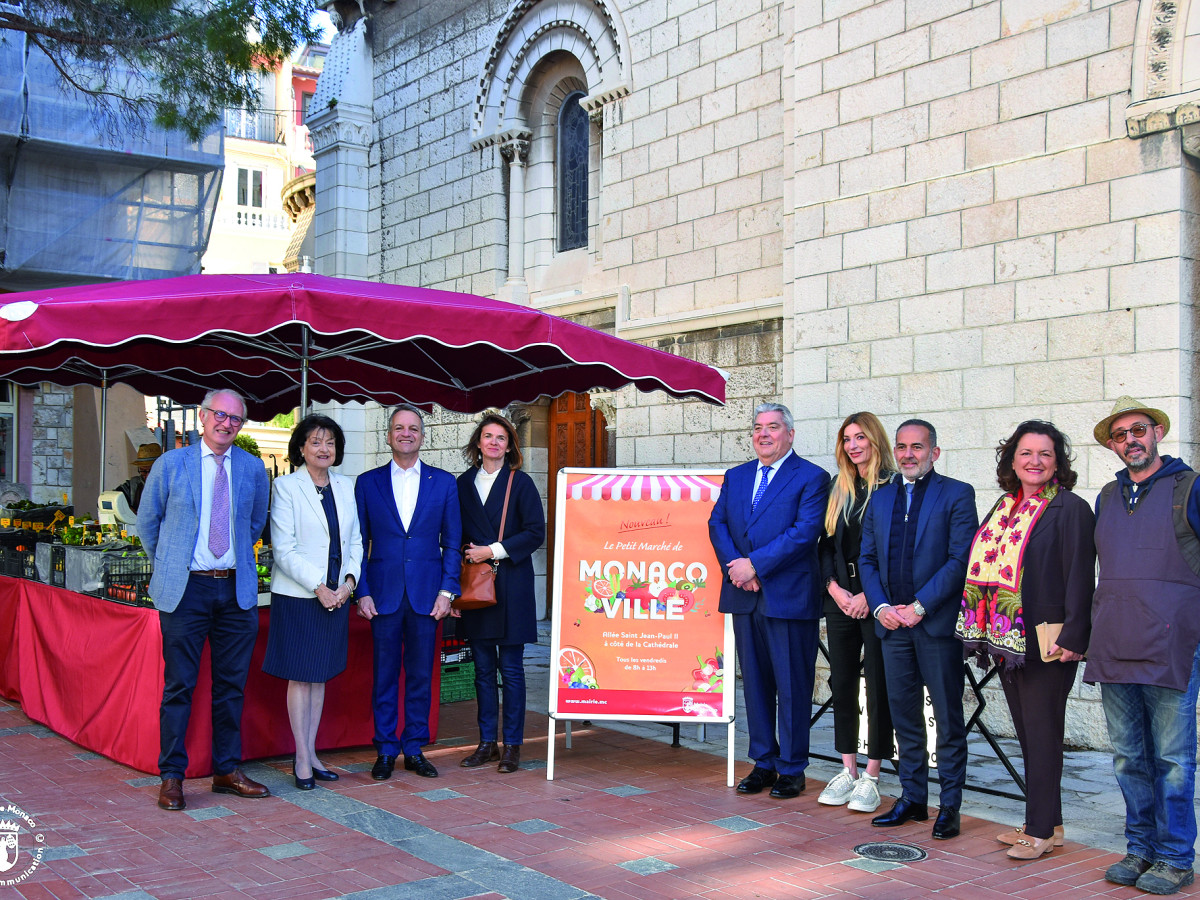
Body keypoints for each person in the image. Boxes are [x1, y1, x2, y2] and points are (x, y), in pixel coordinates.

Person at [956, 421, 1094, 860]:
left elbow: (1080, 575)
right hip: (1006, 640)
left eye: (1045, 454)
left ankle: (1039, 830)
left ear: (1058, 463)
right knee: (1029, 732)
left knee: (1042, 731)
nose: (1034, 462)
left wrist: (1076, 635)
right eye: (1026, 453)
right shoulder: (1004, 506)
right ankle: (1046, 821)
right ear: (1012, 460)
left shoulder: (1070, 508)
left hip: (1048, 639)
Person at [1087, 396, 1200, 895]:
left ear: (1157, 433)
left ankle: (1176, 858)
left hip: (1173, 645)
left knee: (1174, 760)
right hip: (1113, 641)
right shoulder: (1107, 498)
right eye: (1120, 434)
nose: (1130, 439)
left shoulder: (1190, 487)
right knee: (1128, 756)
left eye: (1138, 430)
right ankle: (1140, 848)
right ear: (1113, 446)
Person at [139, 388, 271, 811]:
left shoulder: (252, 469)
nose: (226, 423)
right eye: (219, 414)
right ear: (202, 416)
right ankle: (172, 776)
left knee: (231, 687)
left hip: (235, 589)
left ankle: (226, 770)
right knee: (179, 685)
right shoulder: (171, 464)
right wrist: (175, 563)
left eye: (235, 418)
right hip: (186, 590)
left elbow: (254, 524)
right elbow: (148, 523)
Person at [859, 419, 977, 840]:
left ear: (934, 452)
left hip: (935, 626)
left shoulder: (958, 494)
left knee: (947, 717)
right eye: (903, 447)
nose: (909, 454)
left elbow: (960, 559)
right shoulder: (880, 497)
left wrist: (921, 606)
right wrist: (882, 607)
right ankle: (912, 798)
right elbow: (867, 559)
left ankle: (950, 805)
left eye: (918, 447)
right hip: (892, 626)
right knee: (904, 717)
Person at [708, 402, 830, 799]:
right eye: (758, 427)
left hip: (788, 597)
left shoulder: (812, 477)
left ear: (789, 434)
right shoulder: (737, 476)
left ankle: (792, 768)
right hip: (745, 596)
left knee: (793, 685)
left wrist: (755, 566)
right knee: (755, 684)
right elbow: (717, 523)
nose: (764, 434)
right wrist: (736, 567)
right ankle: (763, 761)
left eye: (773, 427)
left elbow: (805, 531)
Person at [355, 404, 461, 781]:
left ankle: (414, 748)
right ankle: (385, 748)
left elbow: (452, 543)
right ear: (388, 435)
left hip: (426, 596)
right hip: (381, 595)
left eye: (413, 428)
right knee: (384, 675)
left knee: (420, 675)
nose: (406, 433)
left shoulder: (443, 483)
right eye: (399, 428)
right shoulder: (367, 483)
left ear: (422, 436)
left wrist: (448, 592)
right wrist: (361, 591)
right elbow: (357, 543)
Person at [262, 415, 363, 790]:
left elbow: (355, 541)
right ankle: (301, 756)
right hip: (301, 596)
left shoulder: (345, 486)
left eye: (330, 443)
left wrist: (348, 583)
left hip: (337, 596)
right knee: (301, 678)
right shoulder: (286, 487)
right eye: (316, 442)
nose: (324, 449)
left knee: (319, 676)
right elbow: (283, 549)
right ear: (301, 448)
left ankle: (311, 750)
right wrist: (319, 586)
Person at [455, 412, 546, 774]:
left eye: (501, 438)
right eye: (488, 436)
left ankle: (513, 746)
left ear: (510, 446)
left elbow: (535, 531)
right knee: (481, 670)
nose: (494, 442)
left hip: (512, 588)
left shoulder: (520, 483)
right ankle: (486, 743)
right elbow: (451, 533)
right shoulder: (461, 484)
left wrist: (491, 550)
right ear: (478, 442)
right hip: (474, 589)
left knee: (511, 670)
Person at [817, 412, 896, 814]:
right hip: (840, 598)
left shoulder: (893, 487)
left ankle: (873, 775)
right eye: (846, 439)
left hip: (877, 599)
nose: (853, 445)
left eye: (860, 437)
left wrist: (869, 594)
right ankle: (847, 769)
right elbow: (826, 546)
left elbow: (896, 549)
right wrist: (834, 587)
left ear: (875, 440)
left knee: (878, 685)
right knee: (842, 681)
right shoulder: (839, 487)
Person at [116, 442, 162, 513]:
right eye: (143, 471)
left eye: (151, 471)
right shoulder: (134, 484)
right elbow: (113, 497)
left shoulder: (169, 485)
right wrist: (127, 508)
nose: (147, 476)